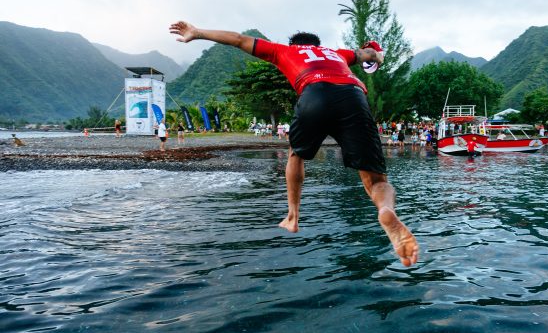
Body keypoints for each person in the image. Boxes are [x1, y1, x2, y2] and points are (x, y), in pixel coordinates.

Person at [170, 21, 418, 266]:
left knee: (296, 155)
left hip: (313, 93)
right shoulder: (336, 53)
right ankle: (386, 211)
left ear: (294, 45)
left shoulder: (284, 50)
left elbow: (237, 39)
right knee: (376, 181)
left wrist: (198, 32)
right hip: (353, 96)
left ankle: (292, 215)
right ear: (318, 45)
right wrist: (378, 56)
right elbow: (369, 54)